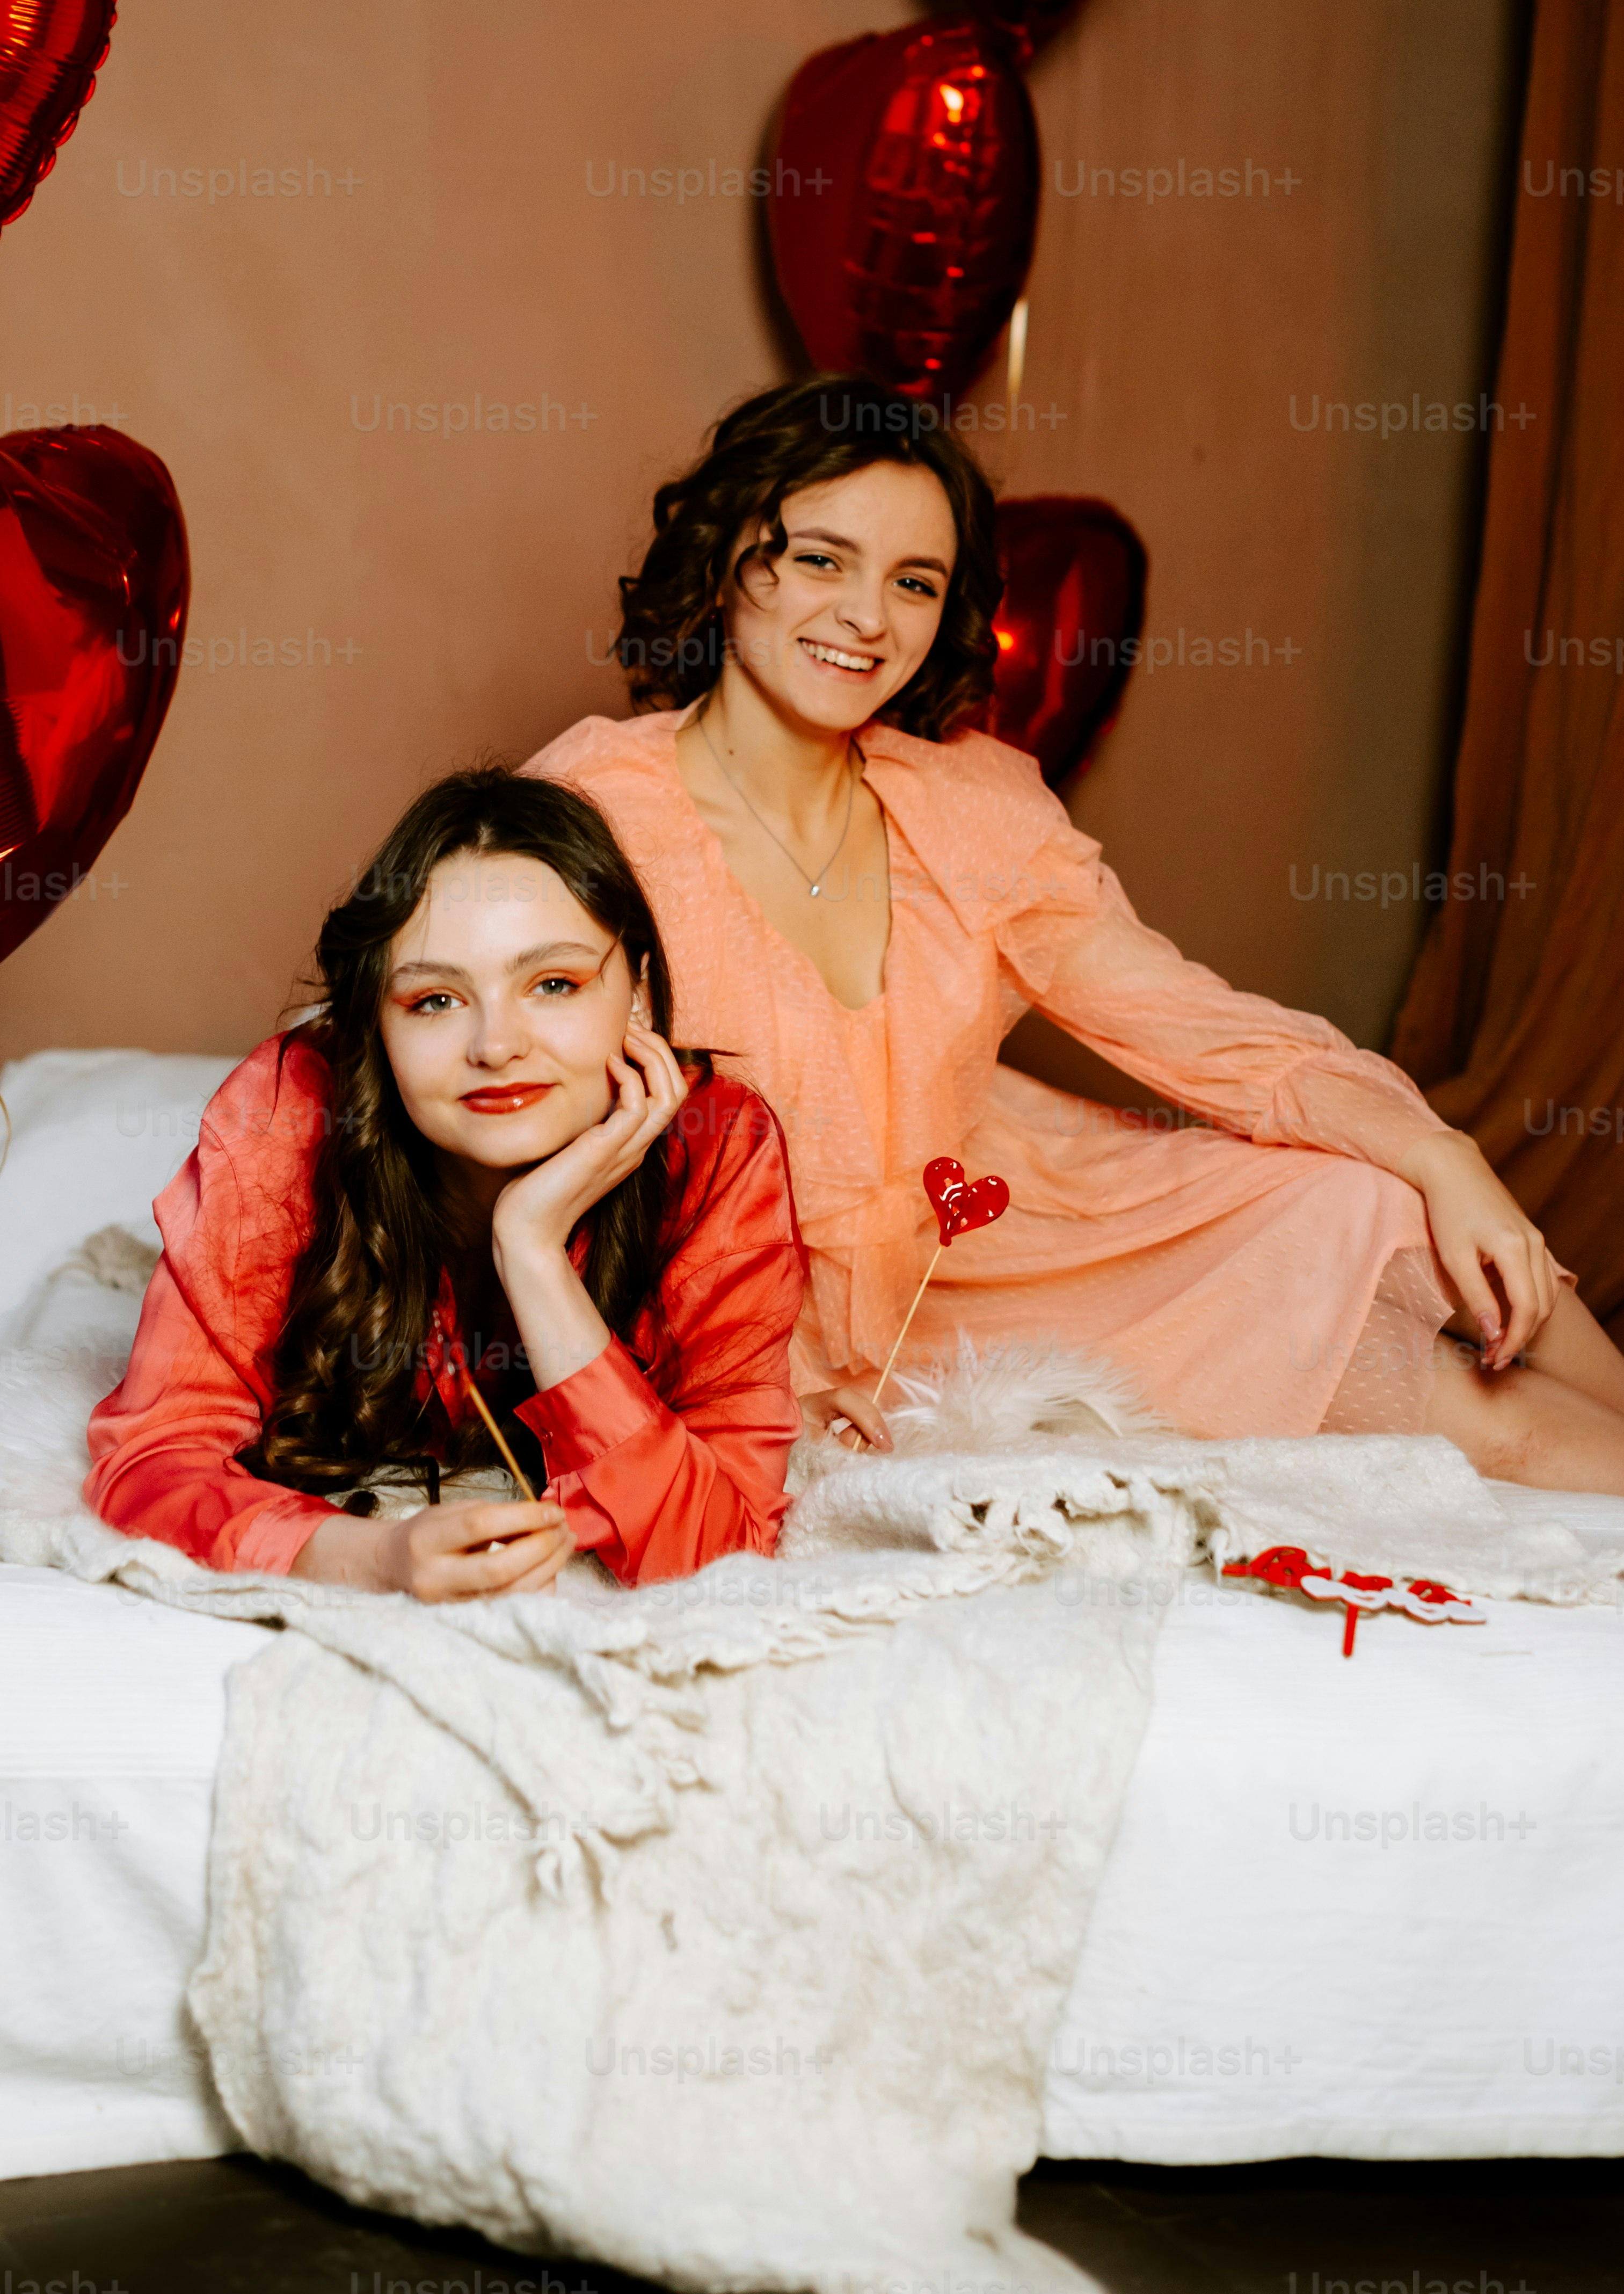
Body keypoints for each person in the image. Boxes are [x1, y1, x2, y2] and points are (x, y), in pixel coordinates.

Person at [528, 375, 1624, 1493]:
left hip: (1004, 1234)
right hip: (777, 1310)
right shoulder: (593, 810)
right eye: (820, 559)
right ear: (724, 562)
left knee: (1382, 1201)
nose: (868, 617)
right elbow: (503, 1106)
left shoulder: (970, 808)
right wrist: (750, 1379)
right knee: (1475, 1428)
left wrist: (1445, 1152)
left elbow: (1191, 1024)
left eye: (914, 581)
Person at [84, 770, 806, 1598]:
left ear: (636, 991)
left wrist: (529, 1249)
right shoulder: (291, 1112)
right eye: (434, 1000)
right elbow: (151, 1461)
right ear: (377, 1025)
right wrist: (374, 1557)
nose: (495, 1044)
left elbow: (723, 1552)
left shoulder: (717, 1147)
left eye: (554, 984)